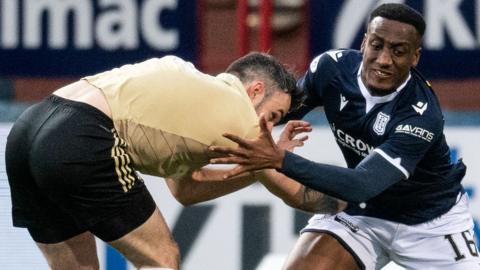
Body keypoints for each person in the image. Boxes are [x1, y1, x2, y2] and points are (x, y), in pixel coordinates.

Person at [209, 3, 480, 269]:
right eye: (377, 45)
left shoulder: (421, 115)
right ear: (364, 43)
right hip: (363, 213)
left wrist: (281, 160)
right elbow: (279, 113)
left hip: (431, 224)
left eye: (398, 51)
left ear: (415, 57)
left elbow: (361, 184)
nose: (384, 60)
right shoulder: (331, 69)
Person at [5, 52, 310, 270]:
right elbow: (294, 191)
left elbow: (187, 190)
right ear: (255, 90)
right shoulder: (241, 114)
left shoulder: (194, 95)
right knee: (160, 259)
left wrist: (255, 170)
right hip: (81, 134)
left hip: (27, 129)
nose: (268, 129)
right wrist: (350, 199)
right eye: (273, 116)